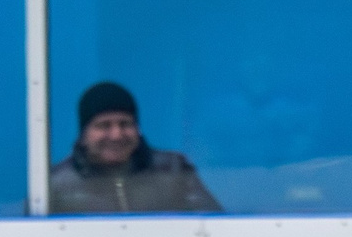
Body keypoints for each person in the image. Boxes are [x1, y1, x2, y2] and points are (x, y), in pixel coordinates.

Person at [47, 82, 222, 214]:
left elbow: (214, 227)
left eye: (125, 124)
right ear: (84, 135)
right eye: (104, 126)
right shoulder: (57, 186)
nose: (116, 135)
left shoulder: (173, 170)